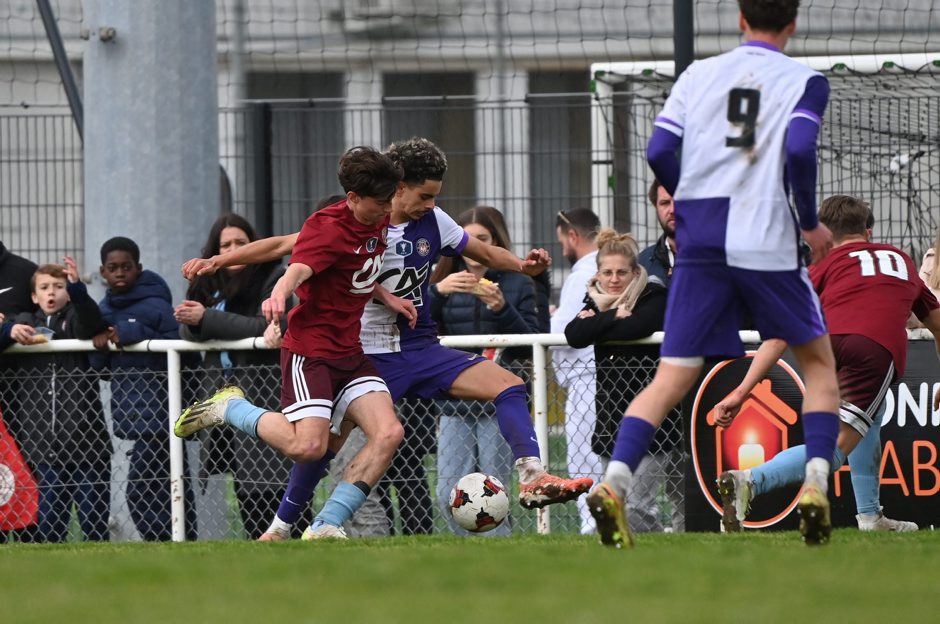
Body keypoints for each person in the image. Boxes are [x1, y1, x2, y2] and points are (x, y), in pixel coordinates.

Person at [179, 137, 592, 541]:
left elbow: (479, 253)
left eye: (435, 196)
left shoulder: (418, 220)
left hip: (415, 347)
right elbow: (289, 250)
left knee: (505, 387)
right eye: (424, 195)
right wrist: (233, 268)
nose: (431, 204)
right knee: (318, 447)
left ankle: (533, 476)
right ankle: (282, 524)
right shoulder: (351, 221)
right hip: (357, 351)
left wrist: (522, 266)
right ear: (397, 188)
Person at [587, 0, 841, 548]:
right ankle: (816, 486)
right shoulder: (805, 81)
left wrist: (693, 197)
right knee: (820, 367)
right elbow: (799, 148)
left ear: (741, 20)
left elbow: (659, 148)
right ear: (793, 24)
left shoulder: (698, 75)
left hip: (702, 245)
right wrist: (809, 221)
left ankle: (613, 484)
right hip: (767, 242)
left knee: (669, 379)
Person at [175, 146, 414, 541]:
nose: (389, 209)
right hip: (312, 353)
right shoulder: (327, 228)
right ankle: (230, 407)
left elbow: (285, 246)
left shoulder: (375, 216)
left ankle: (324, 525)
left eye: (391, 200)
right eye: (381, 202)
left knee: (389, 433)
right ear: (353, 198)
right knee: (308, 448)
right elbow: (296, 267)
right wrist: (278, 291)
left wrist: (385, 295)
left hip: (350, 355)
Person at [714, 195, 940, 532]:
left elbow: (779, 336)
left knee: (869, 419)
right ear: (868, 230)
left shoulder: (819, 266)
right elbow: (937, 324)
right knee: (833, 450)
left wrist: (741, 392)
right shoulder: (900, 260)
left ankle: (870, 517)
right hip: (872, 350)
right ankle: (750, 481)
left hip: (823, 350)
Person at [175, 213, 306, 540]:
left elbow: (268, 326)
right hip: (220, 397)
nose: (233, 250)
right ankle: (261, 548)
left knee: (273, 483)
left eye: (241, 243)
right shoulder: (208, 281)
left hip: (264, 394)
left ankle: (302, 538)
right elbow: (189, 331)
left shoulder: (273, 275)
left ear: (254, 245)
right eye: (225, 245)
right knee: (246, 490)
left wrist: (206, 319)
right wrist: (197, 321)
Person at [429, 205, 541, 536]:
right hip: (454, 403)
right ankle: (469, 551)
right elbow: (415, 327)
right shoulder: (440, 280)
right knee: (447, 492)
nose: (473, 247)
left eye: (483, 239)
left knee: (493, 495)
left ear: (495, 242)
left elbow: (531, 343)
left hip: (498, 405)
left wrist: (502, 308)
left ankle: (498, 554)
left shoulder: (518, 283)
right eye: (468, 239)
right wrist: (438, 293)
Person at [564, 229, 683, 533]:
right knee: (620, 503)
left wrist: (598, 324)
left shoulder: (653, 294)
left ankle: (663, 541)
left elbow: (638, 326)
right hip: (611, 419)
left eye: (621, 272)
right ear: (598, 274)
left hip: (656, 419)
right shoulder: (594, 298)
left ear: (635, 271)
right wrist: (613, 315)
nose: (614, 279)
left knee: (636, 505)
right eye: (607, 272)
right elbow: (574, 335)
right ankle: (654, 548)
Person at [89, 236, 198, 541]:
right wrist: (100, 345)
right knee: (166, 484)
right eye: (113, 268)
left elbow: (182, 349)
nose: (119, 273)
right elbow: (102, 369)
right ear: (102, 271)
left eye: (126, 267)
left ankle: (164, 540)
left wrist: (131, 333)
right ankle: (180, 542)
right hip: (134, 414)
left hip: (163, 412)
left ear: (138, 268)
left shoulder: (157, 305)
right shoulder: (105, 309)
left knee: (141, 489)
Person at [7, 259, 111, 542]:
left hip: (87, 445)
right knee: (50, 527)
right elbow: (11, 330)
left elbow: (91, 324)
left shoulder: (76, 318)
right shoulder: (26, 323)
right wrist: (10, 329)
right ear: (34, 296)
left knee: (93, 523)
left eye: (59, 286)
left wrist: (78, 289)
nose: (51, 292)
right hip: (44, 448)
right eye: (44, 288)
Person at [550, 208, 602, 534]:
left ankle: (592, 523)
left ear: (572, 236)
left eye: (562, 242)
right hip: (596, 373)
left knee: (584, 457)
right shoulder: (602, 268)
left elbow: (562, 332)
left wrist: (550, 318)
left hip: (586, 375)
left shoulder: (584, 272)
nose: (563, 250)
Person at [638, 180, 677, 288]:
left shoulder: (715, 258)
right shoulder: (642, 263)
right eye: (665, 203)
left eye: (679, 202)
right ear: (656, 207)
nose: (673, 210)